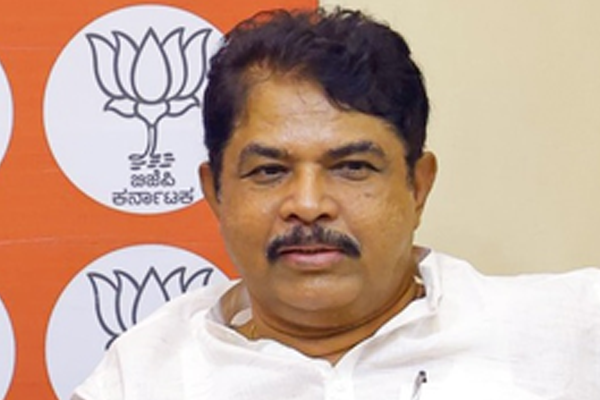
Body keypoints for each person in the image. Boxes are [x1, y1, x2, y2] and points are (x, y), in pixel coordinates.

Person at [72, 7, 600, 400]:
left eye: (352, 167)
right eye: (269, 171)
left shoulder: (569, 333)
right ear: (216, 193)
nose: (308, 205)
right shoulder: (141, 378)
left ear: (418, 186)